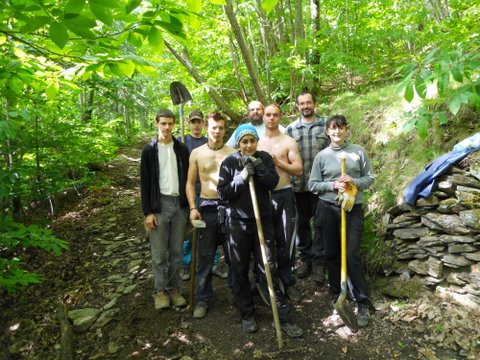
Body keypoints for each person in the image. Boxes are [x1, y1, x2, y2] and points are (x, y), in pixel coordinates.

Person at [218, 124, 303, 338]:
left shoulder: (264, 157)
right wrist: (243, 176)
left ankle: (284, 317)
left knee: (268, 267)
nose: (248, 145)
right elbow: (223, 193)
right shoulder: (229, 162)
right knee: (238, 269)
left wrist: (259, 168)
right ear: (238, 143)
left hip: (263, 223)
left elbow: (273, 182)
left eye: (252, 141)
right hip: (237, 224)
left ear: (257, 142)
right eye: (244, 141)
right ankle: (247, 313)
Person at [308, 115, 374, 327]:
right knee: (332, 253)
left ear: (347, 130)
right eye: (333, 129)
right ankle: (337, 294)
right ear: (327, 131)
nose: (337, 132)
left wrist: (353, 181)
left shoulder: (358, 151)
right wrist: (332, 185)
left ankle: (362, 301)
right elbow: (313, 185)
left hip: (352, 208)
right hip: (328, 209)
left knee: (352, 253)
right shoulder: (322, 157)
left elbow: (370, 179)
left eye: (341, 128)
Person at [186, 112, 236, 319]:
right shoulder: (197, 153)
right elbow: (189, 183)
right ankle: (202, 299)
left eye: (221, 128)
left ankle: (237, 295)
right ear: (207, 128)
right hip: (206, 207)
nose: (217, 131)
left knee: (235, 256)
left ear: (225, 130)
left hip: (231, 209)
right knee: (205, 257)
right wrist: (192, 207)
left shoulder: (233, 153)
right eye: (214, 127)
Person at [140, 109, 189, 310]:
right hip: (159, 205)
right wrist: (148, 213)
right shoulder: (149, 150)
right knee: (159, 253)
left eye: (170, 123)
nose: (167, 127)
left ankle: (174, 288)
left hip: (180, 205)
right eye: (163, 124)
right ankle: (159, 292)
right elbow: (144, 183)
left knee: (176, 251)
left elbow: (188, 178)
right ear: (157, 124)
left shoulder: (181, 149)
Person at [258, 103, 304, 302]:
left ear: (280, 116)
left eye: (275, 115)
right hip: (262, 197)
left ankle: (288, 280)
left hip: (284, 194)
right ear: (263, 117)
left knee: (286, 240)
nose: (271, 118)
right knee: (267, 241)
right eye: (268, 115)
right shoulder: (255, 142)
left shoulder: (288, 141)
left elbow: (299, 169)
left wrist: (278, 163)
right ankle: (271, 283)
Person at [285, 91, 329, 284]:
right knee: (301, 225)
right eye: (302, 103)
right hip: (298, 186)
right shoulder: (291, 130)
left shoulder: (326, 126)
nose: (305, 106)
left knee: (320, 225)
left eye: (308, 102)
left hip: (321, 187)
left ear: (315, 103)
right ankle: (306, 260)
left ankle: (320, 263)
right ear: (297, 106)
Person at [178, 110, 226, 281]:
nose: (196, 125)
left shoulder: (211, 141)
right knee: (190, 232)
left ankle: (213, 265)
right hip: (194, 193)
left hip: (212, 196)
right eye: (193, 122)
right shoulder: (182, 142)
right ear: (189, 123)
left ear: (203, 124)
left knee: (215, 234)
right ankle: (186, 264)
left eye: (198, 121)